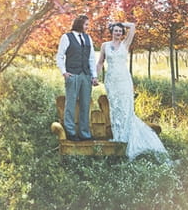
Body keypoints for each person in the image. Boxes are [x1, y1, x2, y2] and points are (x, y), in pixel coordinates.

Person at [96, 22, 168, 160]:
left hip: (124, 80)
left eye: (119, 31)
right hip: (111, 81)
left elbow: (133, 27)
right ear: (111, 32)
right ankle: (119, 138)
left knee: (126, 109)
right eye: (115, 30)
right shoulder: (105, 45)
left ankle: (129, 138)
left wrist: (122, 23)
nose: (117, 33)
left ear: (122, 33)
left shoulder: (125, 44)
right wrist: (95, 76)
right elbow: (100, 62)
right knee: (115, 109)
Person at [56, 15, 99, 141]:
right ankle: (70, 132)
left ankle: (84, 133)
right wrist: (64, 72)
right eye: (86, 24)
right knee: (71, 104)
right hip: (72, 74)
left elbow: (91, 58)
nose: (87, 27)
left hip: (86, 75)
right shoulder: (66, 37)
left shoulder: (88, 38)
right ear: (79, 24)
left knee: (86, 104)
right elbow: (60, 56)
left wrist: (94, 76)